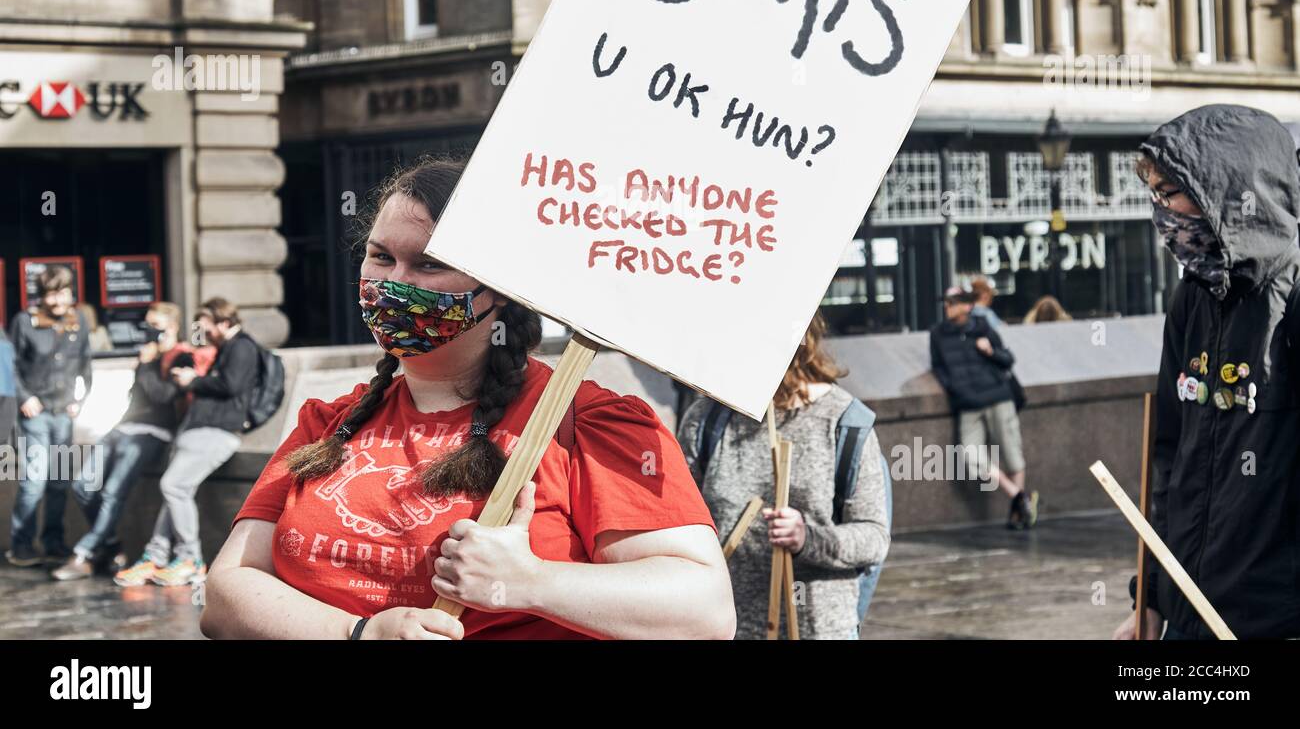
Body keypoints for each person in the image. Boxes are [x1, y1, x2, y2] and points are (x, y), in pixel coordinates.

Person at [199, 157, 733, 640]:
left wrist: (533, 583)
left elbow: (704, 614)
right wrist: (359, 633)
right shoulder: (327, 423)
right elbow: (225, 594)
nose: (394, 282)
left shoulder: (585, 422)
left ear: (498, 287)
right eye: (380, 257)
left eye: (429, 265)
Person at [1115, 104, 1300, 640]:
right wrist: (1149, 596)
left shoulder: (1292, 298)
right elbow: (1168, 457)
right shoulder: (1192, 296)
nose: (1161, 213)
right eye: (1154, 195)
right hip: (1186, 619)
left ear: (1228, 191)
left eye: (1170, 193)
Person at [678, 311, 890, 639]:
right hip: (726, 627)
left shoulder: (844, 422)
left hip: (818, 628)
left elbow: (874, 538)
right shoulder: (705, 419)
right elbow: (676, 523)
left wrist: (808, 538)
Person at [52, 303, 215, 580]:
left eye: (157, 326)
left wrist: (149, 363)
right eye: (147, 325)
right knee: (82, 485)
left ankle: (86, 552)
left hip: (152, 433)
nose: (150, 332)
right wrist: (145, 362)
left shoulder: (182, 357)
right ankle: (111, 544)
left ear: (172, 327)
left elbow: (163, 396)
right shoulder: (147, 356)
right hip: (122, 427)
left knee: (113, 491)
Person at [114, 298, 257, 587]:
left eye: (206, 326)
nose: (202, 333)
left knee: (174, 486)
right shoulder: (222, 349)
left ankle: (191, 559)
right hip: (197, 429)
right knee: (177, 489)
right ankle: (155, 555)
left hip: (217, 431)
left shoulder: (242, 346)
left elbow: (232, 386)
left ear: (224, 323)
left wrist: (192, 380)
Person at [930, 284, 1039, 529]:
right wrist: (954, 388)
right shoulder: (937, 334)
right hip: (967, 403)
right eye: (946, 303)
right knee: (970, 457)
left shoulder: (983, 327)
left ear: (968, 305)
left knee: (1012, 454)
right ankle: (1018, 496)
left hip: (998, 397)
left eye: (953, 302)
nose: (947, 307)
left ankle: (1019, 514)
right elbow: (938, 367)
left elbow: (1007, 359)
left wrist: (989, 351)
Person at [5, 267, 92, 567]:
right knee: (34, 480)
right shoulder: (23, 322)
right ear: (42, 296)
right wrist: (24, 396)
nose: (57, 300)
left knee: (59, 480)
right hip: (35, 412)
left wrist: (79, 399)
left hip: (63, 412)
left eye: (63, 292)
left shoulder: (78, 320)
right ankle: (21, 545)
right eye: (51, 294)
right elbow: (8, 364)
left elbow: (84, 362)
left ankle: (54, 542)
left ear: (71, 293)